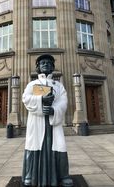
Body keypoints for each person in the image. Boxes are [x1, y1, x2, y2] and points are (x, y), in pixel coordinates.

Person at [22, 54, 73, 187]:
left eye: (49, 63)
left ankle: (63, 175)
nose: (46, 64)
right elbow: (26, 99)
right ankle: (30, 174)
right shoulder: (32, 84)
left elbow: (63, 102)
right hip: (36, 122)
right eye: (43, 63)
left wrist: (53, 110)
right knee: (33, 145)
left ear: (53, 67)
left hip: (53, 123)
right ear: (38, 67)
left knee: (60, 146)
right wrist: (41, 100)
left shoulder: (58, 85)